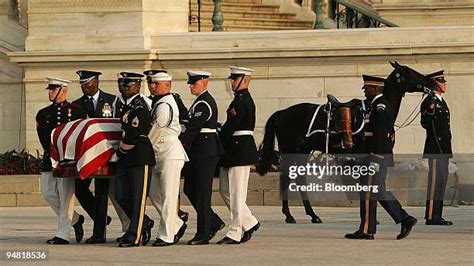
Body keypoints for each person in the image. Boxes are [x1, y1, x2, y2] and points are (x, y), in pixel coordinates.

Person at [345, 75, 417, 240]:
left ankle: (366, 230)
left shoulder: (381, 107)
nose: (365, 92)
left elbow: (381, 137)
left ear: (377, 88)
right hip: (370, 157)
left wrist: (375, 160)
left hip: (374, 158)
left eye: (368, 89)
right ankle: (405, 219)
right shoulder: (374, 106)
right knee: (377, 191)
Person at [36, 77, 87, 244]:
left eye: (53, 89)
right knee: (48, 193)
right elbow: (43, 138)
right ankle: (76, 220)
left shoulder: (77, 111)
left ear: (63, 90)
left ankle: (63, 234)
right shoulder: (43, 114)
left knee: (66, 197)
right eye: (49, 89)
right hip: (49, 159)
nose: (50, 92)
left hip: (67, 160)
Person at [179, 70, 225, 245]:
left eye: (194, 83)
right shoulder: (199, 102)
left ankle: (203, 233)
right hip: (198, 152)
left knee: (202, 192)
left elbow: (193, 128)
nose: (191, 86)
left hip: (205, 152)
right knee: (190, 189)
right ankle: (213, 222)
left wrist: (181, 145)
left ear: (204, 83)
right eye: (190, 84)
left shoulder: (205, 102)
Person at [217, 66, 260, 245]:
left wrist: (219, 137)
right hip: (234, 150)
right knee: (225, 190)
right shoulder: (238, 100)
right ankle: (250, 222)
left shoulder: (243, 100)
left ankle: (235, 231)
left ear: (244, 79)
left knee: (236, 193)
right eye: (232, 79)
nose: (232, 82)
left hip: (240, 149)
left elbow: (231, 126)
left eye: (235, 79)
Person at [146, 71, 188, 247]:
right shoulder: (158, 102)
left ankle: (166, 235)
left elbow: (156, 131)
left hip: (168, 153)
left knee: (169, 196)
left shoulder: (165, 104)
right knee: (153, 192)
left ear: (167, 85)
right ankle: (176, 223)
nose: (152, 86)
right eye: (151, 83)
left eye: (156, 83)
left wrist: (144, 151)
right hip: (159, 152)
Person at [114, 72, 156, 247]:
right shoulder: (124, 106)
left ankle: (135, 235)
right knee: (121, 196)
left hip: (139, 156)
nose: (124, 88)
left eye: (128, 85)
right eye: (122, 85)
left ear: (138, 86)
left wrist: (118, 153)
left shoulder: (140, 106)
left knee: (138, 199)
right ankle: (143, 222)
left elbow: (133, 135)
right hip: (127, 157)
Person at [72, 70, 114, 243]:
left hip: (107, 153)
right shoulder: (76, 105)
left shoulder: (111, 101)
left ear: (96, 82)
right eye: (82, 85)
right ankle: (101, 218)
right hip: (87, 155)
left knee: (103, 193)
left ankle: (99, 234)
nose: (84, 88)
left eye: (87, 84)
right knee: (79, 188)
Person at [421, 70, 453, 226]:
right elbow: (425, 123)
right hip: (435, 149)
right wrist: (431, 107)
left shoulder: (442, 101)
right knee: (434, 183)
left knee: (441, 182)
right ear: (435, 84)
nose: (444, 84)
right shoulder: (430, 102)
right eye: (442, 82)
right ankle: (431, 215)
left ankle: (437, 215)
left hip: (444, 149)